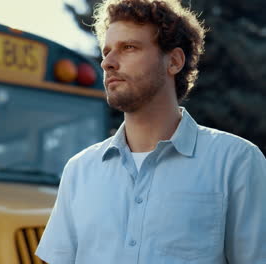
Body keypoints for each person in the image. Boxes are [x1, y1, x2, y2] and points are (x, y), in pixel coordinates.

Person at [35, 0, 266, 263]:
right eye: (106, 51)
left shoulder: (236, 162)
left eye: (128, 47)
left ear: (174, 61)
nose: (107, 63)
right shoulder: (79, 170)